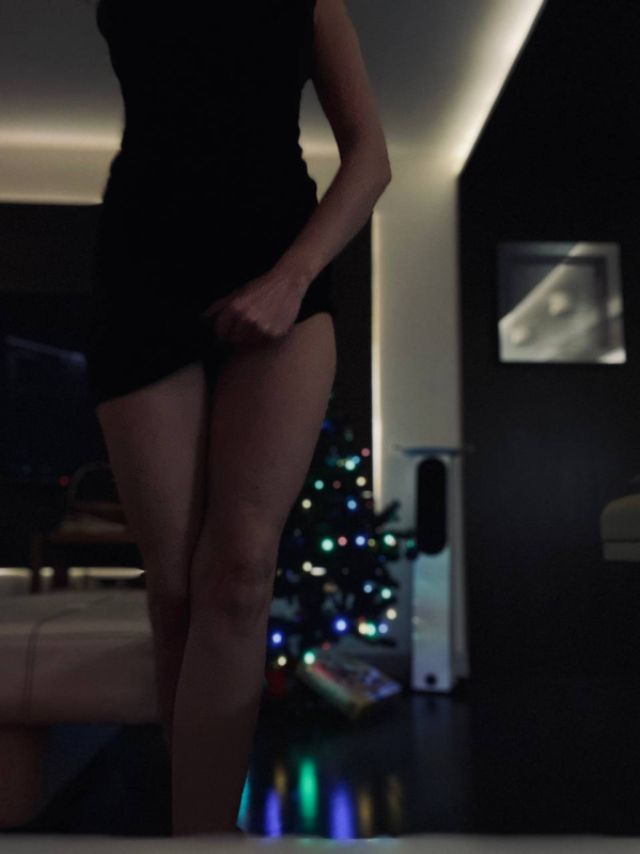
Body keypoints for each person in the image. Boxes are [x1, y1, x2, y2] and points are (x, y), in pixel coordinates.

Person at [83, 0, 391, 838]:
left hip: (281, 262)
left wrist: (292, 277)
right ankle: (193, 829)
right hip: (142, 273)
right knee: (176, 589)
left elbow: (370, 157)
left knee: (241, 573)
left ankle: (206, 836)